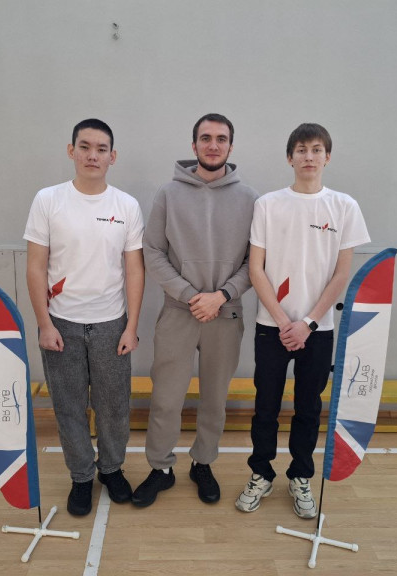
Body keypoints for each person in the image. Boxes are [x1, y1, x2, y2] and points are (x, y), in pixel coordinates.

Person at [235, 123, 370, 518]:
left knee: (308, 408)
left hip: (318, 331)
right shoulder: (268, 204)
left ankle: (300, 477)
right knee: (265, 407)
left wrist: (307, 323)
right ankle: (261, 474)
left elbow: (341, 275)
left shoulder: (344, 206)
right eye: (301, 149)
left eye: (316, 149)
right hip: (271, 328)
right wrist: (283, 322)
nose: (308, 156)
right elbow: (256, 269)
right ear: (289, 157)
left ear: (327, 157)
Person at [131, 113, 257, 507]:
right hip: (178, 312)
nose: (213, 145)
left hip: (226, 312)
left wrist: (222, 295)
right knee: (166, 398)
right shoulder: (168, 194)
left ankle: (203, 463)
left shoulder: (250, 199)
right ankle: (161, 468)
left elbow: (255, 261)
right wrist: (190, 295)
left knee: (215, 398)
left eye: (221, 138)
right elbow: (153, 251)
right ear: (194, 145)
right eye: (206, 138)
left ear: (231, 146)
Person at [24, 118, 145, 516]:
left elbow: (134, 270)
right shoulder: (48, 200)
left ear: (113, 156)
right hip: (62, 324)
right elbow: (36, 267)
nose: (93, 155)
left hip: (111, 324)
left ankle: (111, 469)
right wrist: (44, 324)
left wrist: (131, 326)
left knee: (114, 407)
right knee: (69, 407)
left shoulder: (126, 206)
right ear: (71, 150)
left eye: (101, 149)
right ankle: (80, 476)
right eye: (85, 146)